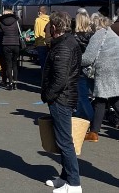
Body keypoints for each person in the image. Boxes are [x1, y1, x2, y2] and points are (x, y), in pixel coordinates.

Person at [41, 11, 82, 193]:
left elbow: (60, 79)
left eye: (50, 25)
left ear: (55, 27)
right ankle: (65, 178)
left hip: (61, 98)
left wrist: (48, 96)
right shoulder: (66, 43)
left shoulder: (64, 46)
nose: (48, 28)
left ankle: (74, 183)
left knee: (65, 142)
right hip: (64, 96)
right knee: (62, 139)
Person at [81, 13, 119, 143]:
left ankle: (94, 133)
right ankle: (94, 131)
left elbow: (88, 58)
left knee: (100, 100)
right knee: (113, 98)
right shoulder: (114, 35)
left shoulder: (98, 35)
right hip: (116, 70)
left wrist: (75, 59)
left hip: (104, 71)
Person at [73, 10, 94, 121]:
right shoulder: (93, 36)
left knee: (82, 96)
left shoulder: (75, 37)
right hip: (91, 68)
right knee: (84, 96)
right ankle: (79, 116)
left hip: (80, 68)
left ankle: (92, 119)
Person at [0, 9, 21, 90]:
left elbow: (0, 33)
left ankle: (10, 83)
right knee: (15, 64)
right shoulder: (16, 21)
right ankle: (15, 83)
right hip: (16, 44)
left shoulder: (1, 22)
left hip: (6, 44)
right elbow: (19, 32)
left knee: (8, 64)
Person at [34, 6, 50, 70]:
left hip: (40, 43)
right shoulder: (49, 19)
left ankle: (43, 76)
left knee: (43, 62)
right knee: (48, 62)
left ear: (40, 12)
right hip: (48, 43)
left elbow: (36, 34)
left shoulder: (38, 20)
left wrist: (35, 44)